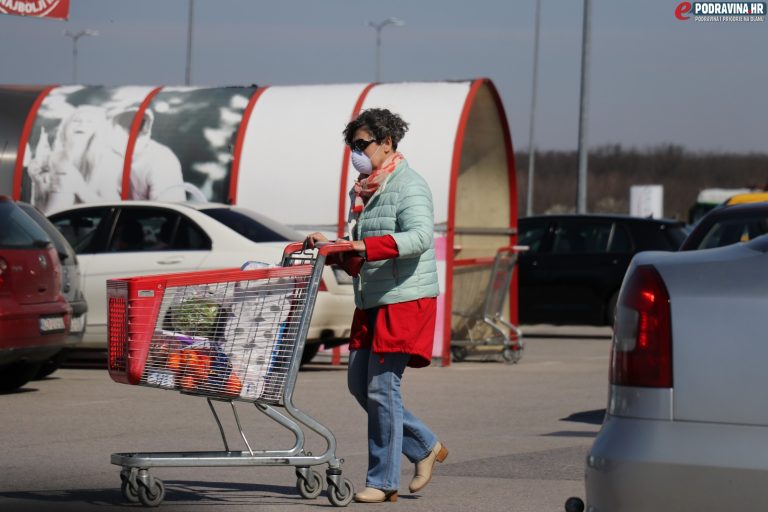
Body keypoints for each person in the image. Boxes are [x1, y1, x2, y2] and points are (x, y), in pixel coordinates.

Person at [306, 108, 447, 504]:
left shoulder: (409, 185)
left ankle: (383, 482)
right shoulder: (367, 190)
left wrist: (363, 246)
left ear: (387, 143)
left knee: (383, 389)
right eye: (352, 146)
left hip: (404, 300)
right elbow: (360, 249)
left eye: (362, 144)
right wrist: (333, 247)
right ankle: (425, 446)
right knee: (359, 384)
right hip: (372, 299)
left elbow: (419, 237)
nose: (356, 152)